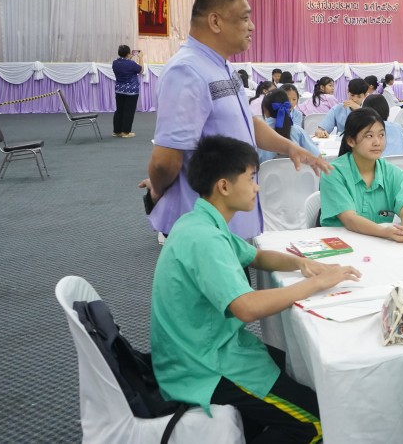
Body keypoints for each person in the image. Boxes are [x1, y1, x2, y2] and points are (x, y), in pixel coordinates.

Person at [150, 135, 360, 442]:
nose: (256, 187)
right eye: (250, 178)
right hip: (205, 367)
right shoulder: (206, 240)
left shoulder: (199, 222)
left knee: (302, 371)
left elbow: (256, 256)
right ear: (224, 186)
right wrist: (315, 283)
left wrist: (302, 264)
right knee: (319, 422)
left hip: (205, 350)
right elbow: (246, 307)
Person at [141, 0, 329, 240]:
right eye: (244, 18)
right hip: (205, 228)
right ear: (215, 22)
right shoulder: (186, 71)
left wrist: (290, 148)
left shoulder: (223, 67)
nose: (252, 26)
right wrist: (159, 191)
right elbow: (165, 160)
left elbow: (247, 124)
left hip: (231, 222)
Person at [318, 108, 403, 240]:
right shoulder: (334, 172)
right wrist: (385, 233)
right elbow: (350, 219)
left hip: (379, 244)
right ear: (351, 141)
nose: (377, 142)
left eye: (381, 135)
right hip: (343, 244)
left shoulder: (392, 172)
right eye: (369, 136)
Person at [257, 89, 321, 163]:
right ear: (288, 107)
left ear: (265, 110)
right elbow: (317, 157)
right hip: (297, 170)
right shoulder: (298, 131)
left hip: (266, 170)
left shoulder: (258, 132)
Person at [112, 45, 143, 138]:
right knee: (128, 111)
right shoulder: (131, 63)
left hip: (119, 90)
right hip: (131, 91)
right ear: (128, 53)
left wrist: (128, 57)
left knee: (119, 110)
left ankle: (117, 131)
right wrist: (141, 58)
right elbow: (141, 70)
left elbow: (124, 65)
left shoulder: (115, 63)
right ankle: (125, 132)